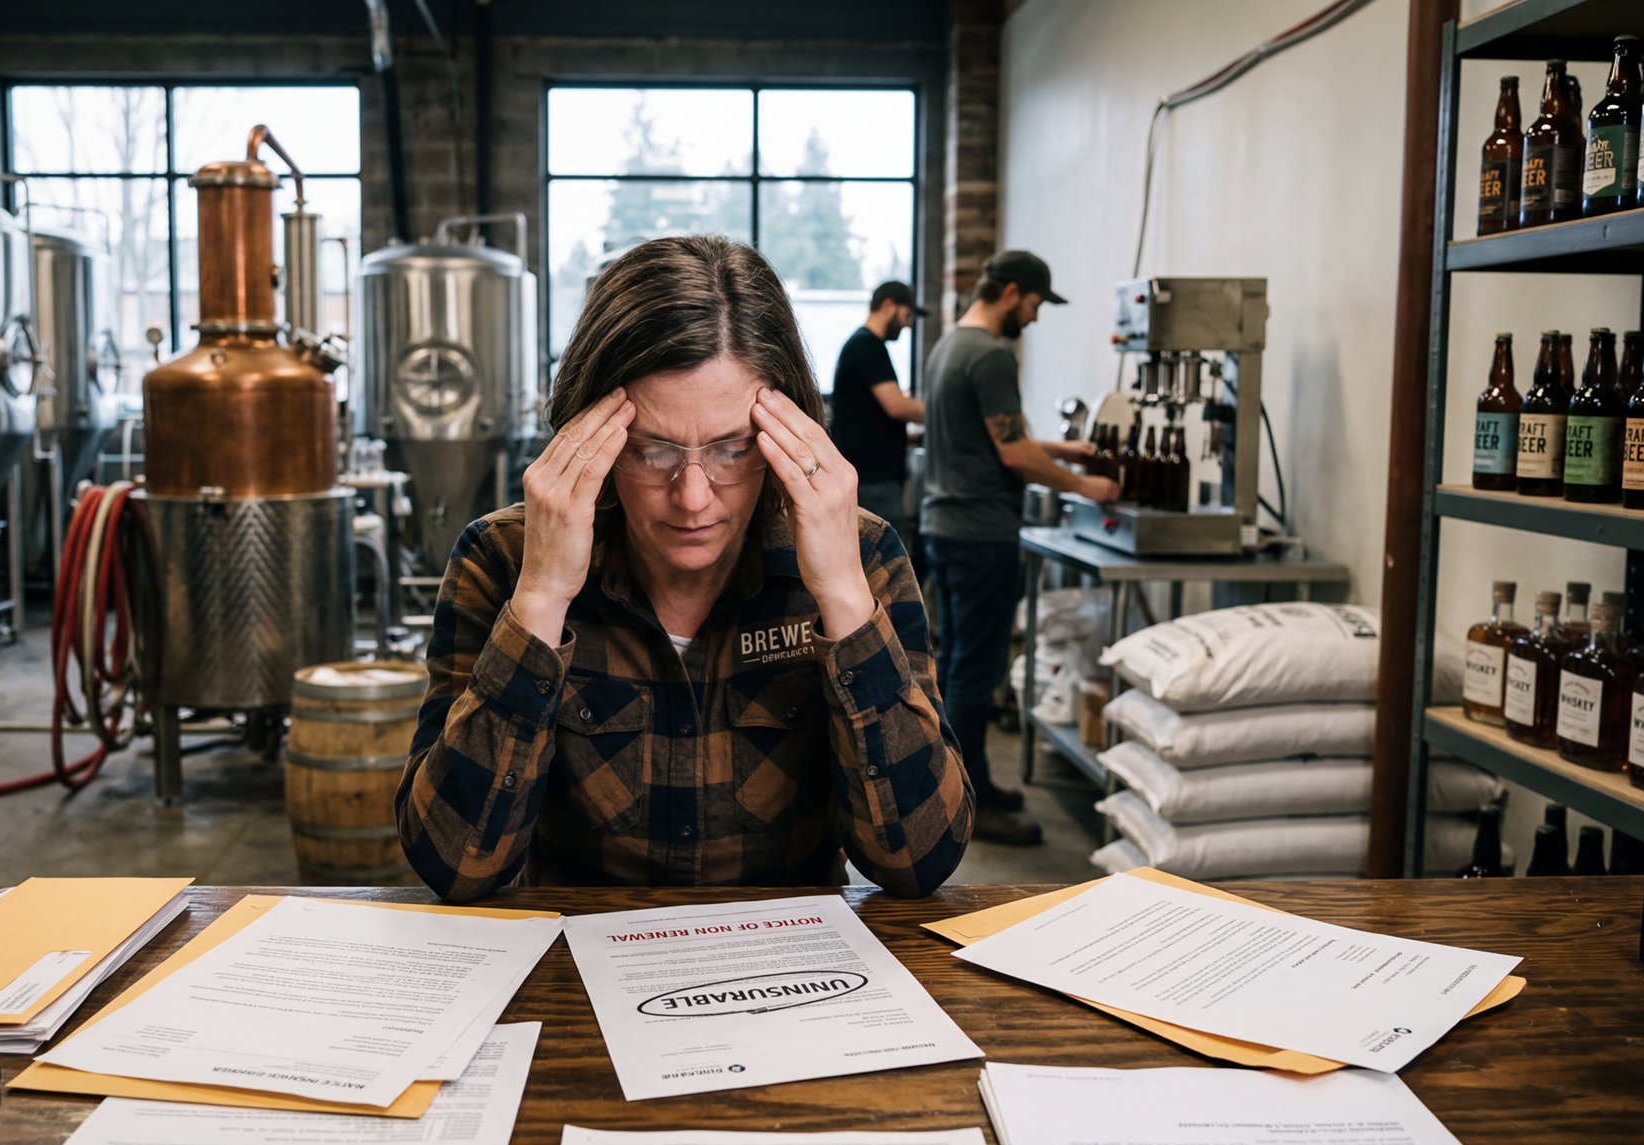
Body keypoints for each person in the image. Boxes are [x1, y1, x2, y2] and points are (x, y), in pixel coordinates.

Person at [399, 235, 972, 904]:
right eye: (652, 451)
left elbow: (921, 860)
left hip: (791, 977)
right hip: (570, 974)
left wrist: (843, 598)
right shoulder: (500, 559)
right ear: (590, 438)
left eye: (733, 449)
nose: (694, 496)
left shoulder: (864, 556)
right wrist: (542, 598)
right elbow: (454, 867)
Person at [920, 250, 1118, 847]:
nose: (1034, 317)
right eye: (1034, 304)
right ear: (1010, 292)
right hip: (981, 534)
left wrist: (1063, 451)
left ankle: (963, 784)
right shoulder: (991, 354)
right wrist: (1089, 485)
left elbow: (999, 439)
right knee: (975, 673)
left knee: (955, 664)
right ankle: (966, 804)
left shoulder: (949, 346)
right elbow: (1011, 452)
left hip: (947, 528)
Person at [830, 282, 926, 549]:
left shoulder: (860, 344)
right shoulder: (868, 346)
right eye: (907, 316)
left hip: (869, 479)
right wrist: (944, 413)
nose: (908, 325)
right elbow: (897, 406)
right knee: (885, 567)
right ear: (888, 306)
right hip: (874, 482)